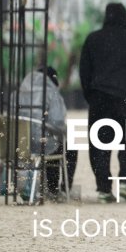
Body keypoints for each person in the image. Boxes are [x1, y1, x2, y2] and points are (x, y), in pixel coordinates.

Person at [79, 3, 126, 202]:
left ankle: (104, 188)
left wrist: (91, 96)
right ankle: (125, 183)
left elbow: (84, 72)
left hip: (100, 98)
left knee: (100, 144)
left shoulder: (93, 39)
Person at [17, 66, 78, 200]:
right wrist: (65, 132)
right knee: (65, 144)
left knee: (53, 141)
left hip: (18, 143)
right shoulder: (51, 93)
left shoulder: (21, 92)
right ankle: (58, 189)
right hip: (39, 144)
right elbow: (57, 123)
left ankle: (51, 187)